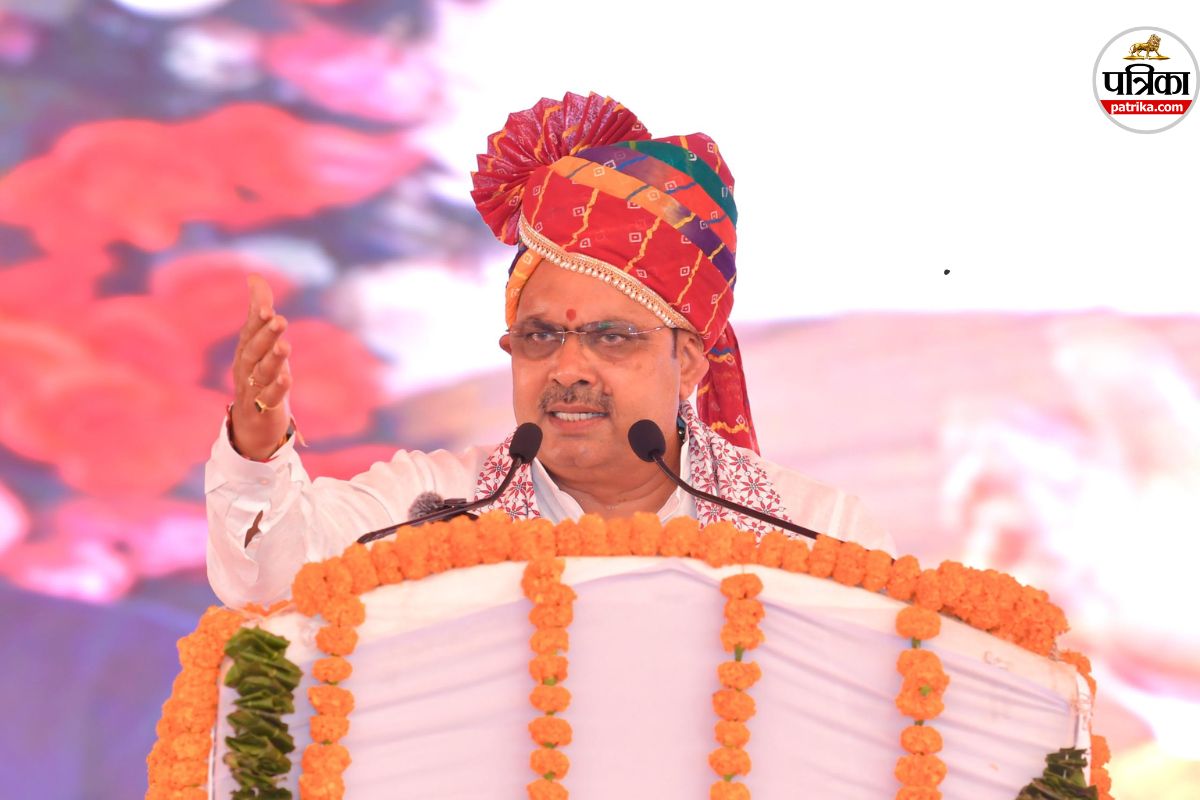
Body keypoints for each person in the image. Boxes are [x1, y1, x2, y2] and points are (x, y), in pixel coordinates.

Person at [205, 92, 892, 608]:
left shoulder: (812, 537)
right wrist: (257, 452)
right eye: (539, 337)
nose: (567, 370)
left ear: (687, 361)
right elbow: (270, 582)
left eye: (611, 338)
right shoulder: (429, 512)